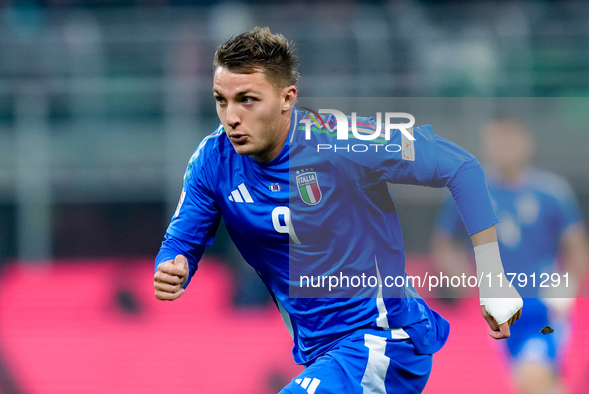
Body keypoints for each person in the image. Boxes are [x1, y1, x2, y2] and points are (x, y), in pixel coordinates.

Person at [153, 27, 523, 393]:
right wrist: (173, 265)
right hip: (321, 353)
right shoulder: (212, 160)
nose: (231, 116)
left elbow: (461, 167)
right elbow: (179, 244)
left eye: (247, 99)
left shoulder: (343, 142)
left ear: (287, 98)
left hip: (383, 338)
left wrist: (492, 278)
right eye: (221, 100)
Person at [432, 119, 589, 394]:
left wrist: (567, 286)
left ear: (526, 145)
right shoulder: (469, 194)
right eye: (495, 142)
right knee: (530, 384)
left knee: (533, 376)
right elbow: (445, 242)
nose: (501, 149)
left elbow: (576, 244)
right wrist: (456, 272)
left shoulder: (551, 191)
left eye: (508, 141)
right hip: (500, 313)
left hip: (544, 310)